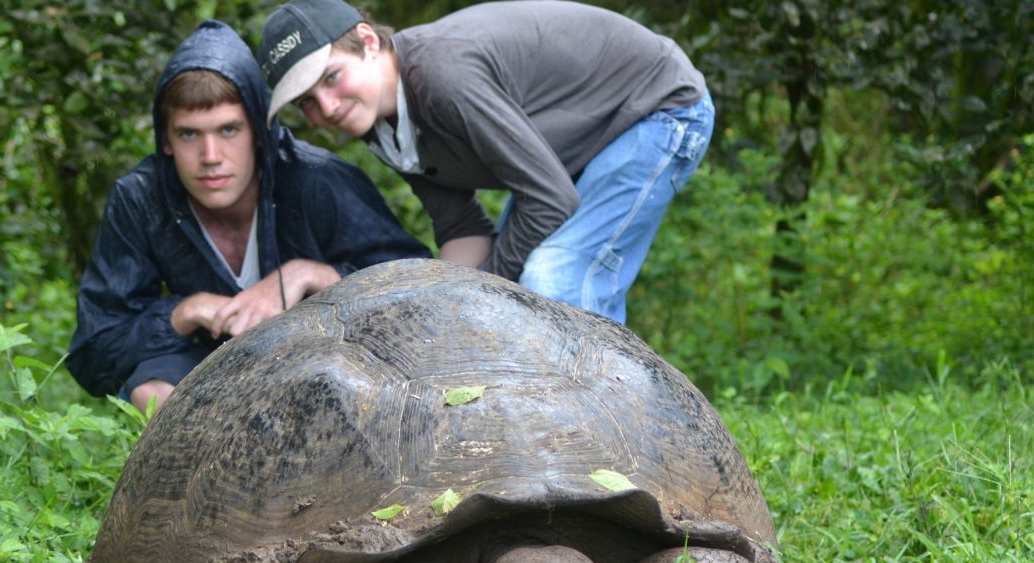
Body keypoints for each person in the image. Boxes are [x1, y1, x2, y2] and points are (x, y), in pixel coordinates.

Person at [258, 0, 714, 324]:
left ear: (368, 42)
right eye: (308, 102)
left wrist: (486, 294)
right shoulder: (381, 122)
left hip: (657, 110)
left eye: (332, 78)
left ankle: (612, 444)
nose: (328, 107)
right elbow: (460, 227)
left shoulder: (443, 78)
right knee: (494, 291)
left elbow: (550, 200)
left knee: (553, 279)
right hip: (581, 144)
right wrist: (450, 313)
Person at [67, 20, 428, 415]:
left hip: (322, 364)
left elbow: (419, 292)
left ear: (258, 130)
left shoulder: (317, 180)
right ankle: (192, 472)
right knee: (150, 386)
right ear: (166, 140)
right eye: (189, 134)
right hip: (208, 370)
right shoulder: (140, 199)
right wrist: (183, 312)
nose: (210, 156)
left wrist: (313, 275)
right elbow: (93, 351)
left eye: (228, 130)